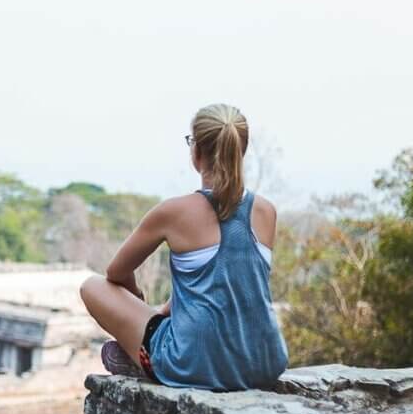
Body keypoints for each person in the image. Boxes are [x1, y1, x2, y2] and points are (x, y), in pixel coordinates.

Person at [79, 103, 288, 390]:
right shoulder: (266, 211)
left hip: (190, 365)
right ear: (242, 149)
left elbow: (115, 274)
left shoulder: (174, 212)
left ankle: (140, 357)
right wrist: (164, 310)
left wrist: (139, 305)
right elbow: (229, 284)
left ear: (197, 152)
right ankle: (143, 347)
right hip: (266, 364)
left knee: (92, 286)